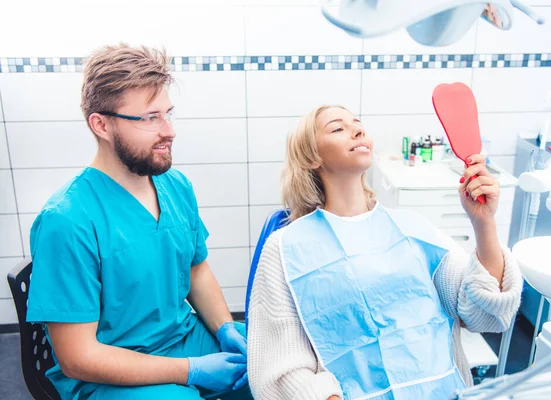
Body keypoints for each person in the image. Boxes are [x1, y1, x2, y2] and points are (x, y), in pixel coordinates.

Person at [247, 105, 523, 399]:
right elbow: (278, 369)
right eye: (338, 128)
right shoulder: (285, 249)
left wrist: (483, 223)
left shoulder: (413, 229)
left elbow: (487, 314)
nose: (357, 130)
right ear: (312, 156)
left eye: (358, 124)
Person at [26, 44, 252, 400]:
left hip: (182, 338)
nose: (169, 130)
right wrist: (190, 372)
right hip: (110, 370)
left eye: (168, 114)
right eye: (150, 118)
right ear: (101, 125)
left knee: (279, 366)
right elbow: (78, 357)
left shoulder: (175, 186)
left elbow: (196, 270)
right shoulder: (67, 220)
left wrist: (224, 327)